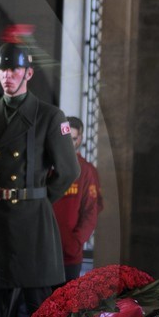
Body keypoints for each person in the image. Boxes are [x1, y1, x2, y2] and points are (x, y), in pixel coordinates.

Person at [0, 27, 79, 317]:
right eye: (3, 69)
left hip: (33, 222)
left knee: (39, 311)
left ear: (28, 73)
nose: (8, 76)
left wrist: (37, 198)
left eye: (14, 69)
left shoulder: (49, 116)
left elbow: (69, 171)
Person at [51, 115, 102, 281]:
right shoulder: (46, 168)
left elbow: (91, 212)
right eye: (65, 139)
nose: (68, 144)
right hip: (44, 252)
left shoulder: (86, 171)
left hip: (69, 255)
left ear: (79, 139)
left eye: (73, 139)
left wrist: (75, 242)